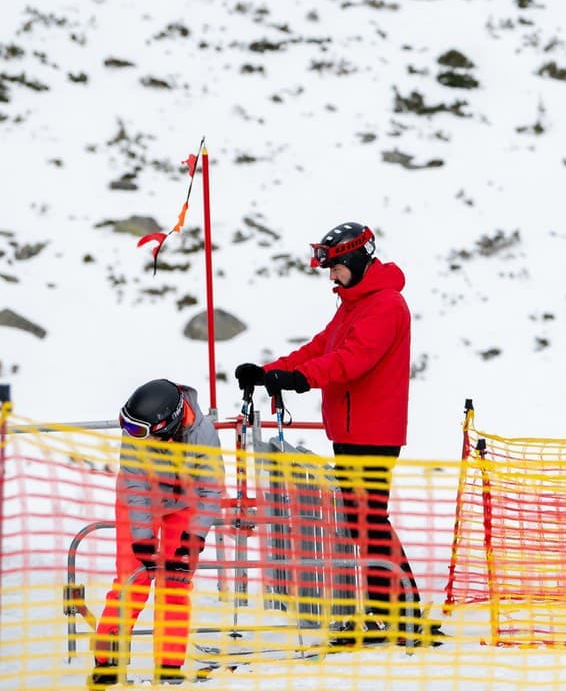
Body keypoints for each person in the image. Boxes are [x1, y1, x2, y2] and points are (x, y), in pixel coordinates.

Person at [235, 221, 431, 648]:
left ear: (357, 259)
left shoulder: (385, 306)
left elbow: (350, 361)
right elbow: (321, 347)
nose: (331, 276)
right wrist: (269, 372)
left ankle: (400, 615)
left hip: (373, 434)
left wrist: (297, 380)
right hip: (350, 429)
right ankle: (396, 613)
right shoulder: (353, 304)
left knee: (369, 523)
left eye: (336, 266)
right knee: (366, 523)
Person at [89, 380, 222, 689]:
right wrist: (143, 538)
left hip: (184, 504)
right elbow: (135, 488)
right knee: (133, 581)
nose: (131, 434)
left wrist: (193, 538)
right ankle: (107, 661)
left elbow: (210, 491)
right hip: (140, 500)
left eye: (138, 430)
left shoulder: (203, 435)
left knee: (175, 583)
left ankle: (169, 667)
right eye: (129, 428)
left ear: (167, 423)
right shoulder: (136, 431)